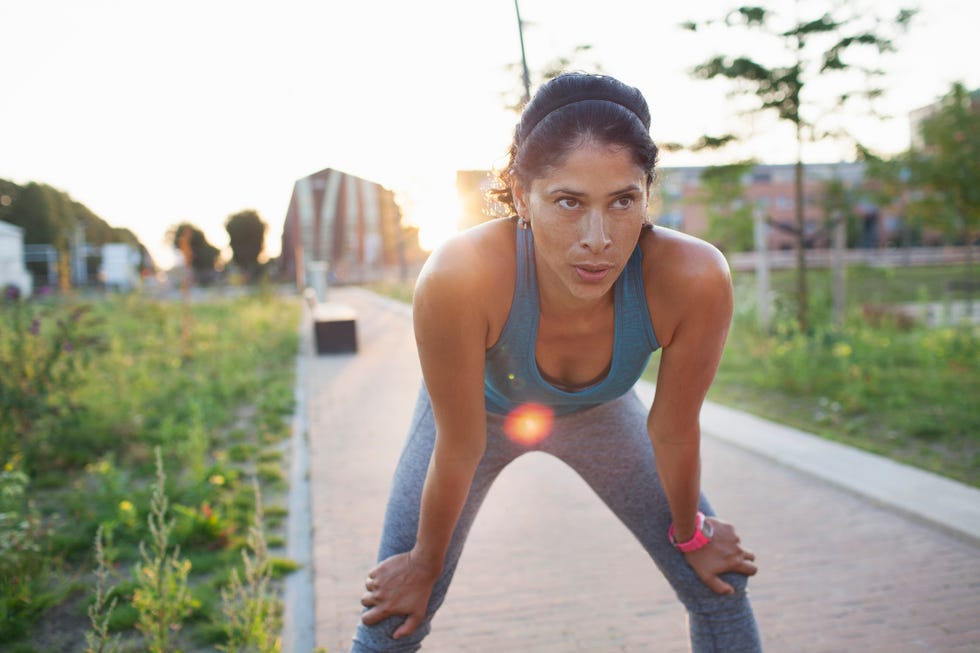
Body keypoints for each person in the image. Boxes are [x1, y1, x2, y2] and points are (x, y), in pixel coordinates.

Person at [353, 72, 762, 652]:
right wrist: (423, 563)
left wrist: (694, 536)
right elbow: (460, 444)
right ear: (522, 195)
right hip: (476, 419)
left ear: (648, 191)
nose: (598, 238)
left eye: (623, 200)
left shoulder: (693, 277)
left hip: (601, 414)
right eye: (568, 202)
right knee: (396, 611)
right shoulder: (459, 276)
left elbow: (672, 431)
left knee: (720, 583)